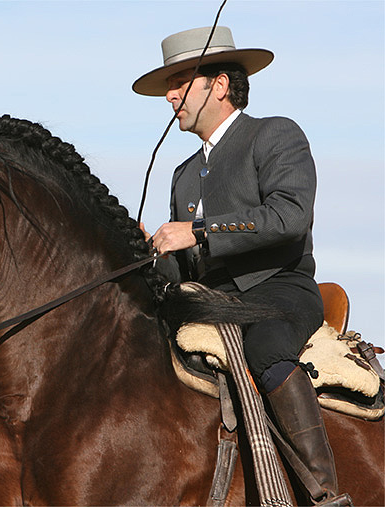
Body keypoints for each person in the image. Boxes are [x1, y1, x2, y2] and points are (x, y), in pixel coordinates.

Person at [132, 26, 350, 506]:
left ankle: (324, 492)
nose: (169, 96)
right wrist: (148, 253)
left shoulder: (275, 133)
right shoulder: (184, 173)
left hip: (279, 288)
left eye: (180, 82)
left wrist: (199, 231)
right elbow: (187, 270)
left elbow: (289, 218)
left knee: (268, 349)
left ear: (220, 85)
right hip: (210, 301)